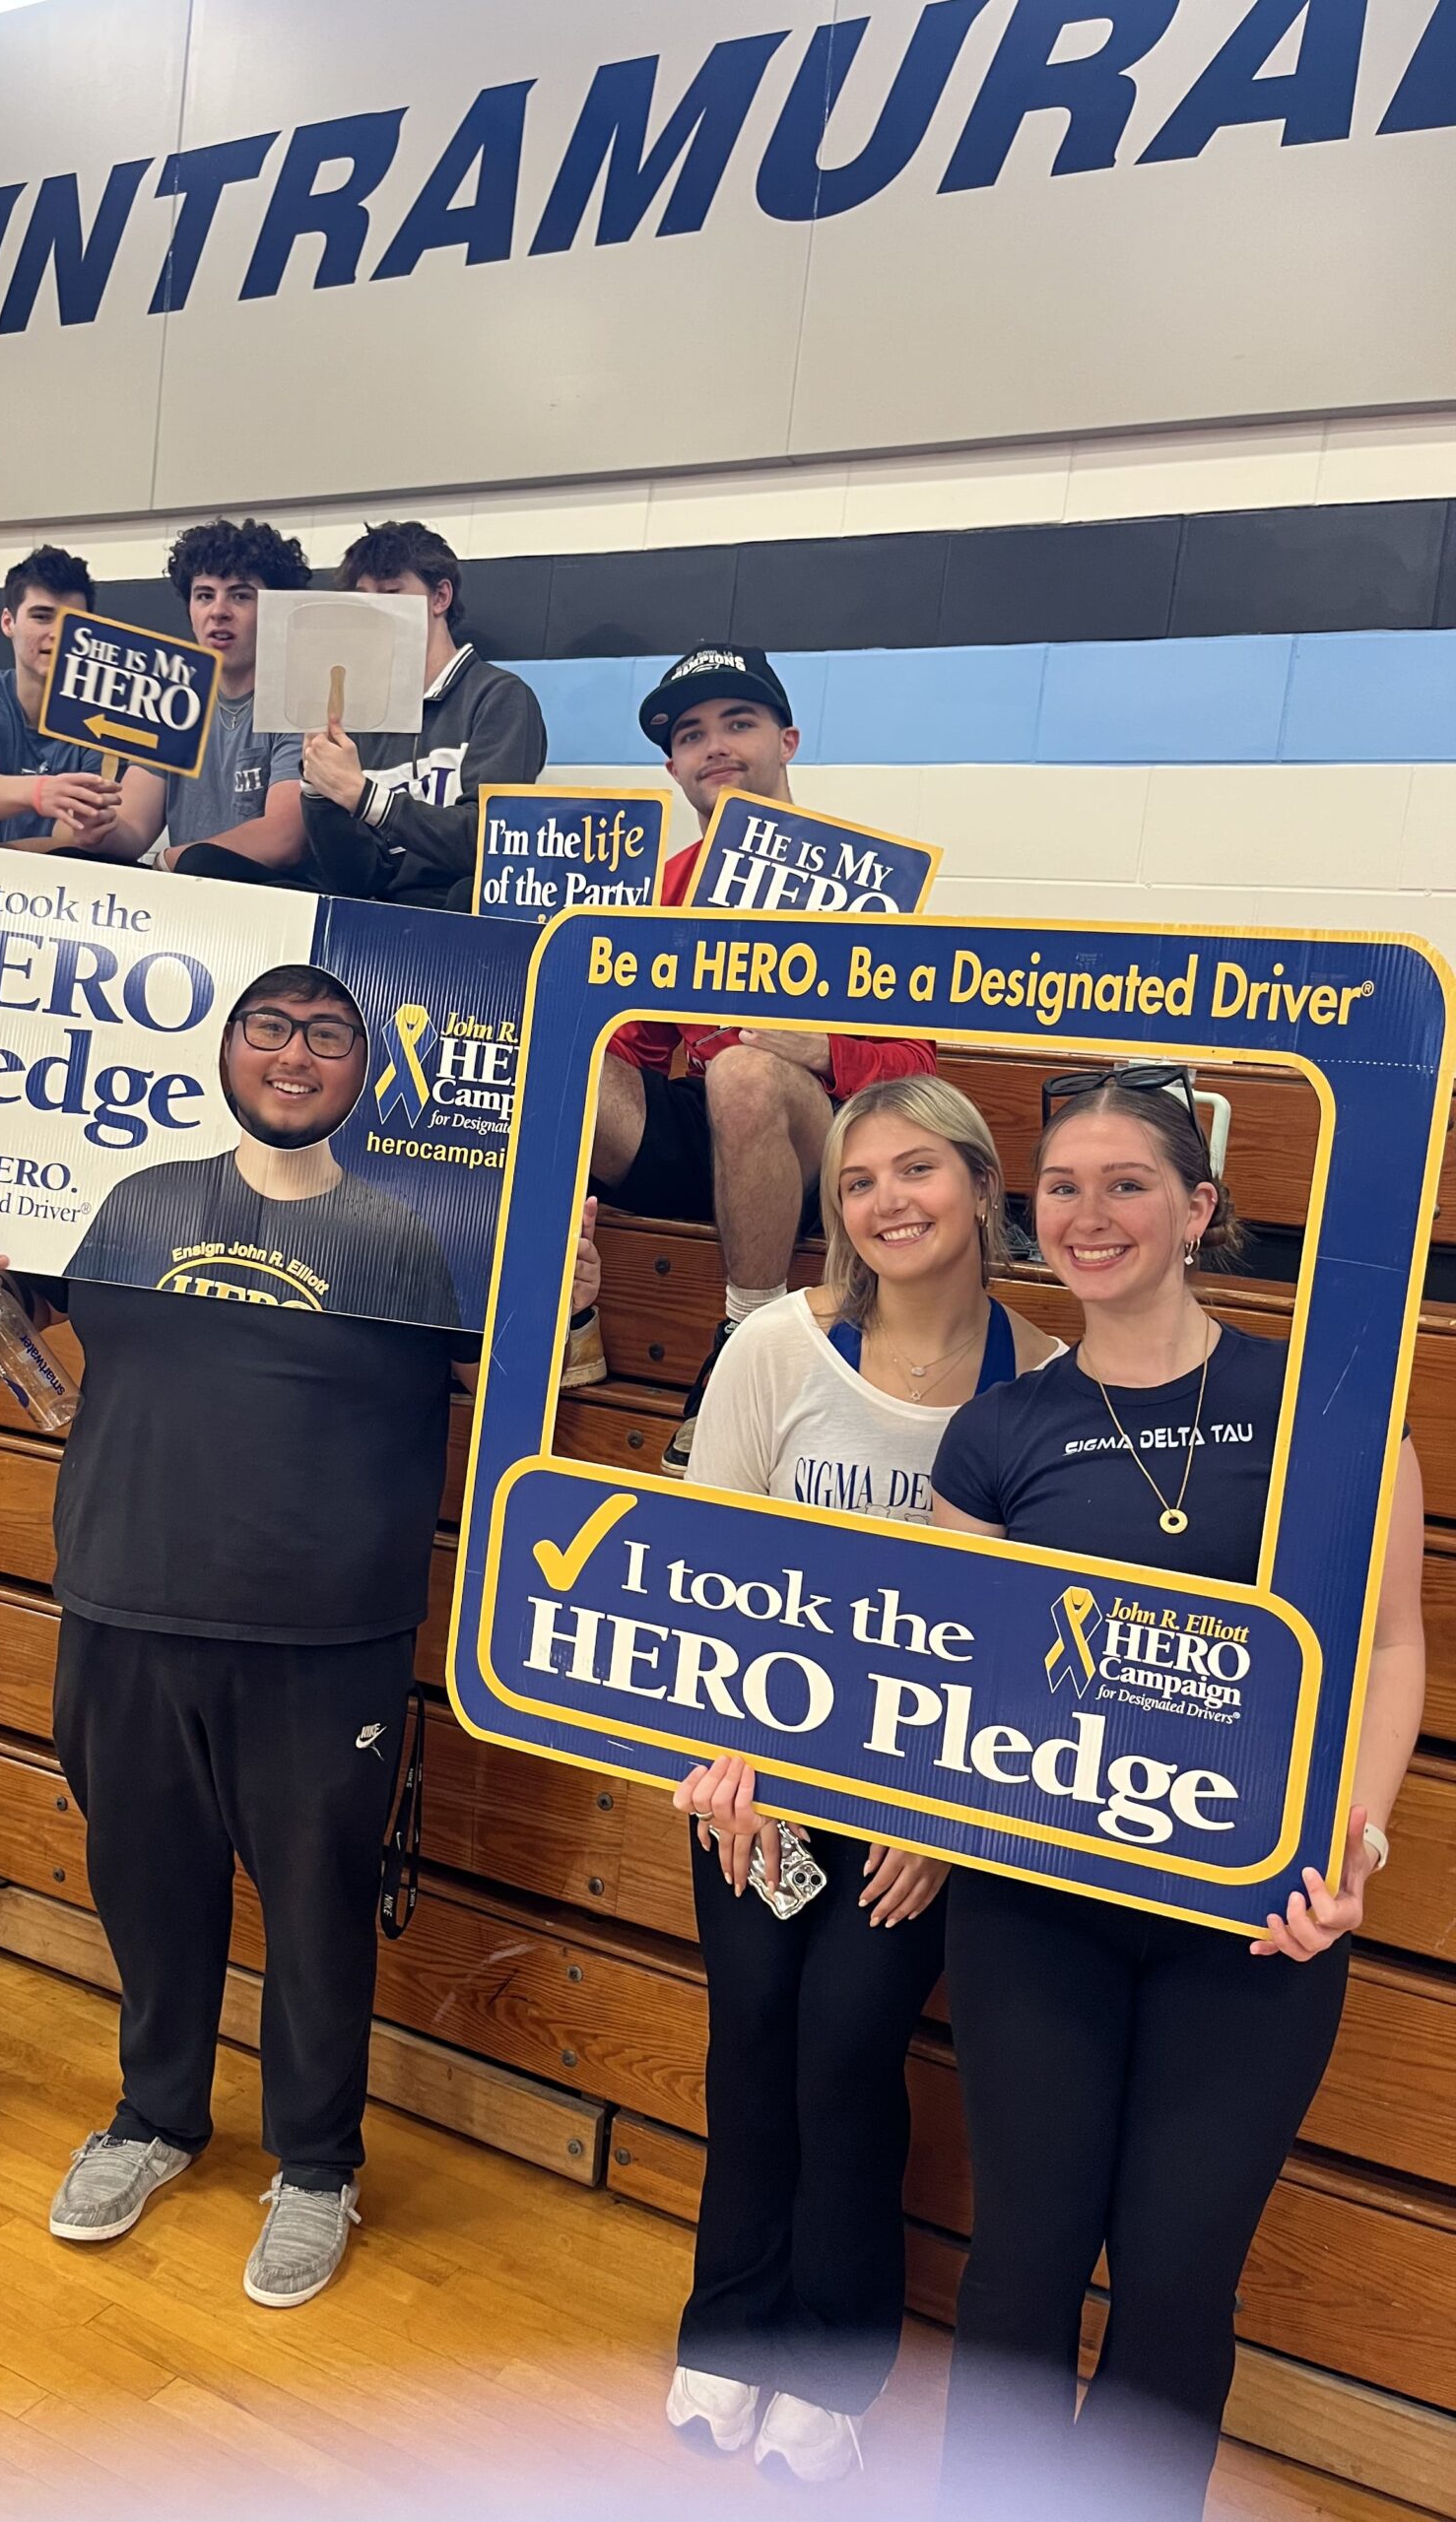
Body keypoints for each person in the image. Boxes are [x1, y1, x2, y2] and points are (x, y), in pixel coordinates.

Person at [0, 1183, 599, 2306]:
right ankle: (156, 2115)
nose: (290, 1079)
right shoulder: (129, 1186)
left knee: (320, 1904)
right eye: (267, 1057)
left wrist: (567, 1307)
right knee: (144, 1883)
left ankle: (319, 2166)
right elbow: (9, 1305)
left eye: (320, 1061)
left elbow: (535, 1380)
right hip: (125, 1594)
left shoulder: (423, 1215)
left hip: (330, 1625)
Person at [929, 1070, 1426, 2522]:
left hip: (1256, 1922)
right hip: (1037, 1909)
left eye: (1128, 1183)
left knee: (1177, 2276)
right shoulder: (995, 1433)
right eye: (1063, 1187)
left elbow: (1390, 1646)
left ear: (1201, 1207)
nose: (1090, 1215)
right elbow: (943, 1670)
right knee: (1023, 2260)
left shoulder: (1328, 1405)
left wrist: (1356, 1841)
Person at [660, 1079, 1063, 2484]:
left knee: (846, 2046)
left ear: (981, 1183)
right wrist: (725, 1761)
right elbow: (700, 1570)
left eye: (917, 1169)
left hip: (922, 1808)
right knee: (753, 2034)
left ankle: (834, 2359)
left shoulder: (1044, 1376)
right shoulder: (776, 1346)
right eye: (857, 1179)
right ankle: (727, 2326)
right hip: (755, 1778)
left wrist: (944, 1819)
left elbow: (1032, 1644)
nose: (889, 1200)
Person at [588, 645, 937, 1471]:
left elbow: (919, 1070)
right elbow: (634, 1051)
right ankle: (552, 1305)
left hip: (829, 1143)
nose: (714, 746)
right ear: (673, 768)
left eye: (738, 723)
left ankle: (745, 1335)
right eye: (691, 735)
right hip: (712, 1135)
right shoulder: (664, 886)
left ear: (787, 741)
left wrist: (822, 1048)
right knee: (560, 1052)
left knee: (743, 1071)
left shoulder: (864, 881)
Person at [68, 965, 459, 1327]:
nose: (295, 1057)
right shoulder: (141, 1197)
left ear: (366, 1061)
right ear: (227, 1043)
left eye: (326, 1034)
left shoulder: (402, 1238)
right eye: (270, 1027)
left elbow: (481, 1369)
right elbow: (42, 1309)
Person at [299, 519, 548, 908]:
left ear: (440, 597)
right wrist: (319, 789)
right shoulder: (359, 713)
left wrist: (366, 797)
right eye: (363, 599)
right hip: (374, 918)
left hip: (457, 914)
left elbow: (491, 841)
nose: (375, 612)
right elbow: (355, 879)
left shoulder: (499, 696)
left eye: (391, 593)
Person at [91, 516, 314, 882]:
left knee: (200, 863)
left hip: (267, 896)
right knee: (76, 857)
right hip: (185, 893)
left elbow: (283, 838)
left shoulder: (299, 703)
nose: (218, 611)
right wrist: (96, 823)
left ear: (276, 612)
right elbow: (130, 830)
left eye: (240, 596)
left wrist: (170, 859)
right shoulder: (172, 702)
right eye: (205, 596)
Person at [0, 545, 124, 852]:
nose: (58, 633)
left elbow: (70, 838)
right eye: (42, 617)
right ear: (8, 622)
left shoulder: (111, 719)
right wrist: (40, 792)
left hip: (57, 877)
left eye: (73, 620)